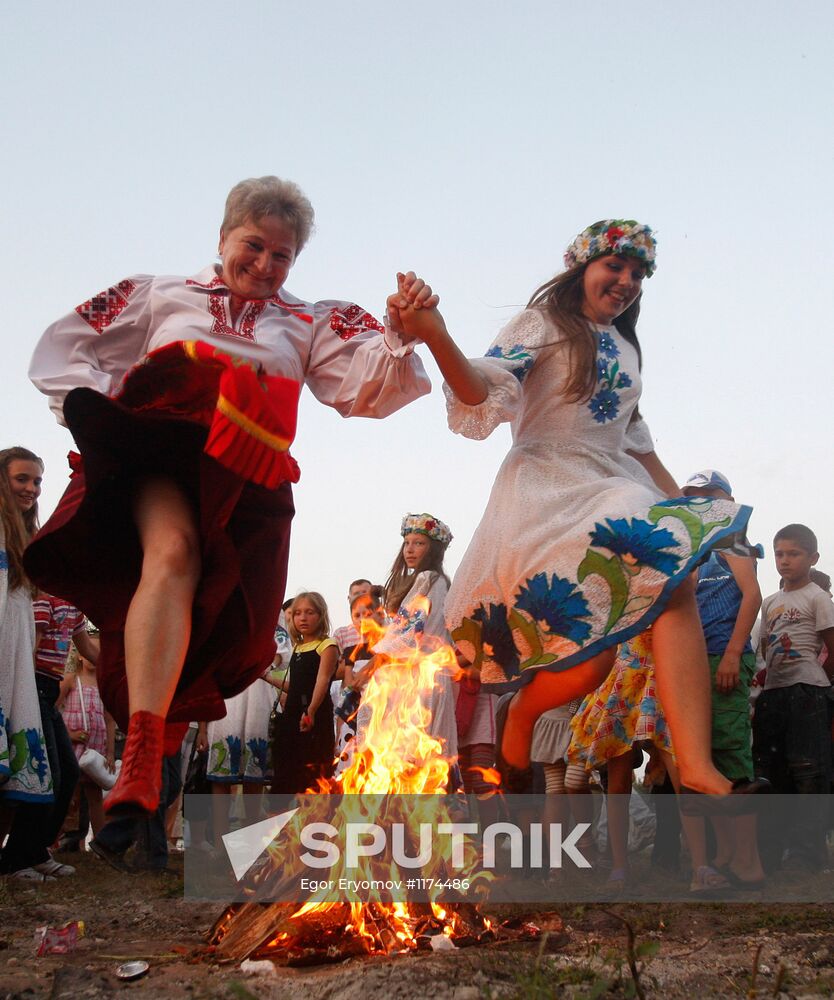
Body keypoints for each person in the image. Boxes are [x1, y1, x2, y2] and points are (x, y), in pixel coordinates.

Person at [25, 175, 433, 815]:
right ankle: (140, 752)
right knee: (174, 551)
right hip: (163, 448)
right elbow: (70, 343)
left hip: (249, 476)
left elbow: (368, 388)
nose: (265, 264)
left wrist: (401, 332)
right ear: (222, 239)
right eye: (254, 245)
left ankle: (164, 725)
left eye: (282, 255)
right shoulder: (162, 293)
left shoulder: (307, 319)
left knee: (236, 625)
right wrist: (101, 419)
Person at [390, 221, 763, 800]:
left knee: (641, 612)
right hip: (544, 489)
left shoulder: (628, 349)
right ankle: (520, 720)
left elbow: (637, 443)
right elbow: (477, 389)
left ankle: (695, 764)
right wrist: (436, 335)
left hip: (611, 481)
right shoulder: (542, 325)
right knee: (595, 650)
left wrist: (697, 521)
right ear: (581, 268)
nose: (627, 281)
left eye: (639, 274)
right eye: (615, 267)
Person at [682, 470, 766, 888]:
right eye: (693, 497)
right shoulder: (694, 550)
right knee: (706, 758)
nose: (701, 503)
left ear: (728, 501)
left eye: (709, 495)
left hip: (725, 658)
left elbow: (752, 596)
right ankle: (727, 854)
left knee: (733, 753)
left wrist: (733, 653)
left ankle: (749, 862)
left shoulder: (733, 541)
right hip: (696, 662)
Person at [753, 524, 834, 871]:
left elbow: (831, 645)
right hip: (774, 693)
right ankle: (773, 848)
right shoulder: (770, 602)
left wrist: (825, 688)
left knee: (809, 771)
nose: (785, 561)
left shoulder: (818, 597)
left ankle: (807, 851)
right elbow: (762, 651)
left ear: (812, 558)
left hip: (809, 692)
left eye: (794, 554)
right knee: (772, 770)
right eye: (780, 554)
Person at [366, 514, 458, 762]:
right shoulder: (423, 581)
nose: (410, 549)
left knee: (415, 752)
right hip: (416, 672)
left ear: (433, 549)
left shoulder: (430, 580)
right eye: (407, 543)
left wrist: (378, 661)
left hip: (422, 675)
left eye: (419, 543)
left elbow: (409, 635)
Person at [0, 448, 53, 872]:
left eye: (36, 482)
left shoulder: (24, 536)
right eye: (22, 479)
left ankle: (14, 856)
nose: (31, 489)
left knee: (15, 764)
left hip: (16, 656)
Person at [271, 592, 338, 794]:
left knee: (313, 777)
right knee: (287, 775)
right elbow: (296, 687)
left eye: (309, 612)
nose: (303, 618)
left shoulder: (327, 645)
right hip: (291, 717)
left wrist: (311, 711)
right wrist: (265, 677)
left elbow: (322, 681)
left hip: (313, 717)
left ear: (320, 615)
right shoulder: (298, 647)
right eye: (298, 613)